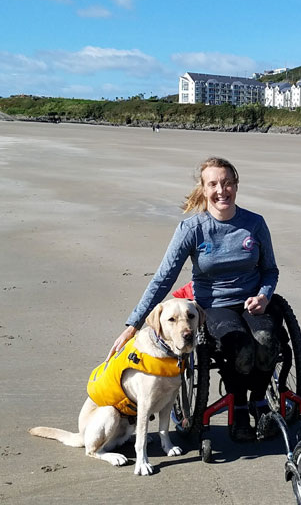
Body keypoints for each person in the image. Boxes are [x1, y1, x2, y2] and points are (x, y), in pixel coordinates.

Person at [110, 157, 282, 441]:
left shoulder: (255, 223)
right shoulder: (192, 229)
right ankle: (239, 406)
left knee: (266, 342)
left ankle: (259, 400)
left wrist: (264, 296)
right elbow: (163, 278)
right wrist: (132, 324)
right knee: (240, 350)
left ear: (236, 186)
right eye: (213, 184)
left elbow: (270, 270)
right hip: (213, 307)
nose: (221, 190)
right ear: (203, 189)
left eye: (227, 183)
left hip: (253, 301)